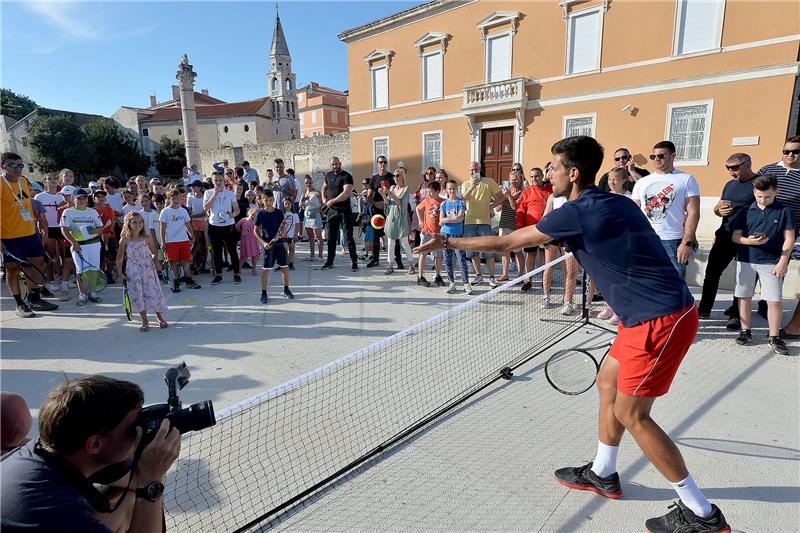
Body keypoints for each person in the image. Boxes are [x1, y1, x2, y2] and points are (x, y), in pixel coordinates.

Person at [414, 136, 729, 532]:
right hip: (643, 315)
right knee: (607, 382)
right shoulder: (616, 201)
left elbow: (509, 241)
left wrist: (448, 241)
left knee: (633, 415)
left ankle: (701, 513)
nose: (549, 173)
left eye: (553, 167)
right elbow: (628, 250)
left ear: (573, 173)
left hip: (659, 319)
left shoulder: (576, 212)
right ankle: (604, 472)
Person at [1, 375, 181, 532]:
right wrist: (152, 480)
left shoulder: (44, 449)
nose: (138, 434)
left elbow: (127, 481)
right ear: (94, 444)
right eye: (132, 429)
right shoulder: (57, 513)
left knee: (127, 497)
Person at [730, 174, 795, 355]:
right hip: (746, 260)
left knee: (774, 300)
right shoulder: (745, 211)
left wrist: (783, 261)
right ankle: (745, 331)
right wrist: (748, 241)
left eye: (767, 196)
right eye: (759, 196)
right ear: (754, 193)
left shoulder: (784, 211)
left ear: (776, 191)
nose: (763, 200)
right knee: (744, 296)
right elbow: (735, 236)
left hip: (772, 262)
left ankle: (774, 336)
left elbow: (789, 238)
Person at [696, 154, 756, 328]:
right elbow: (718, 206)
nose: (731, 172)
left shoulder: (758, 183)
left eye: (735, 168)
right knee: (712, 273)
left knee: (743, 277)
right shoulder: (730, 185)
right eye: (728, 168)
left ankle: (736, 315)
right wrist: (718, 211)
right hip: (725, 234)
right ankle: (704, 310)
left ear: (748, 164)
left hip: (746, 237)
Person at [1, 152, 59, 316]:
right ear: (2, 166)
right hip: (9, 237)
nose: (17, 169)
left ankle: (34, 298)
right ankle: (20, 304)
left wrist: (38, 221)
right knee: (12, 270)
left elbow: (26, 203)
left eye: (20, 165)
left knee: (37, 265)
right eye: (12, 165)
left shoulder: (24, 181)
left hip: (30, 234)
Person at [631, 140, 701, 279]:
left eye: (661, 156)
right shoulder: (642, 182)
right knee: (649, 282)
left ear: (672, 155)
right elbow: (634, 212)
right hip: (646, 239)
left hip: (673, 240)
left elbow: (693, 212)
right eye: (653, 156)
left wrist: (686, 242)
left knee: (675, 283)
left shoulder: (686, 179)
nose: (657, 159)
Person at [756, 135, 800, 338]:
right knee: (755, 269)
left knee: (778, 269)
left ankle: (768, 304)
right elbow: (753, 195)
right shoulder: (767, 170)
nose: (790, 155)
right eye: (786, 151)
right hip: (762, 228)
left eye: (795, 151)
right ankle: (760, 305)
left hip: (788, 231)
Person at [118, 211, 168, 331]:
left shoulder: (147, 238)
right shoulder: (124, 240)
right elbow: (119, 258)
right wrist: (120, 273)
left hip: (148, 269)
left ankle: (159, 316)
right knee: (138, 294)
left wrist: (156, 262)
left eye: (140, 222)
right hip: (133, 271)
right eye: (134, 222)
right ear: (128, 224)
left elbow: (154, 252)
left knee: (153, 292)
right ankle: (145, 320)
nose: (138, 224)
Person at [61, 188, 108, 306]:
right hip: (78, 246)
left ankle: (93, 292)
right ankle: (82, 295)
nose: (82, 200)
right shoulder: (68, 212)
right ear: (73, 199)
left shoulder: (93, 212)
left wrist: (94, 231)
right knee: (80, 271)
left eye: (84, 198)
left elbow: (101, 228)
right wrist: (74, 243)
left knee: (93, 270)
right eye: (79, 198)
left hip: (94, 244)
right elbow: (64, 229)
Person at [515, 167, 551, 291]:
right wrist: (520, 229)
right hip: (530, 229)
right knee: (530, 255)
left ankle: (544, 281)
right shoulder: (527, 192)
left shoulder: (549, 190)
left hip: (546, 229)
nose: (534, 179)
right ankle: (528, 281)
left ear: (542, 176)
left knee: (544, 255)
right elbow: (520, 211)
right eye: (531, 176)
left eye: (536, 176)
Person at [254, 191, 294, 303]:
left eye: (270, 200)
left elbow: (282, 227)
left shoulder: (279, 213)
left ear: (273, 200)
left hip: (280, 245)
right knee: (266, 270)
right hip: (268, 246)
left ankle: (286, 289)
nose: (268, 202)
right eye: (266, 200)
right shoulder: (260, 214)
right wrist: (263, 243)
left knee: (284, 268)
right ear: (262, 201)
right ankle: (264, 293)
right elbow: (255, 231)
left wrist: (282, 232)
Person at [321, 157, 358, 271]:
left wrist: (332, 201)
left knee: (349, 237)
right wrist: (323, 198)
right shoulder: (328, 175)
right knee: (331, 238)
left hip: (344, 210)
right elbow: (324, 187)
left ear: (340, 164)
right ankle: (329, 261)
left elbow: (346, 193)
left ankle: (354, 262)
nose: (334, 166)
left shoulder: (347, 176)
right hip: (332, 211)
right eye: (332, 164)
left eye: (336, 164)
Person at [159, 189, 200, 293]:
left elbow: (188, 224)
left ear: (181, 199)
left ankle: (189, 281)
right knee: (173, 263)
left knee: (186, 261)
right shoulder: (165, 211)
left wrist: (192, 236)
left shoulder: (183, 211)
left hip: (184, 240)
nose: (176, 200)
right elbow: (162, 228)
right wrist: (163, 242)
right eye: (173, 198)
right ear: (169, 199)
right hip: (171, 242)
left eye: (177, 198)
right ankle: (175, 282)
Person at [203, 172, 241, 285]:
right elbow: (205, 208)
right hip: (214, 226)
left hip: (228, 225)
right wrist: (215, 194)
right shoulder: (208, 193)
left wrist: (232, 215)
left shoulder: (230, 194)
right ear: (212, 182)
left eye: (220, 180)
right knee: (216, 252)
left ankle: (237, 274)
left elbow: (237, 210)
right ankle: (219, 275)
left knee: (232, 251)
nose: (218, 182)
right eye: (216, 180)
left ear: (224, 181)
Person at [365, 155, 400, 268]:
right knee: (376, 236)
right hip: (377, 212)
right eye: (380, 162)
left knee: (395, 236)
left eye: (385, 162)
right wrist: (375, 203)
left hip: (391, 211)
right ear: (377, 164)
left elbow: (397, 194)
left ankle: (398, 260)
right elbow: (369, 197)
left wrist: (387, 202)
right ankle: (375, 259)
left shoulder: (392, 177)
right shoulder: (374, 179)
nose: (383, 164)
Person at [439, 180, 471, 295]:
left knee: (461, 259)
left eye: (454, 188)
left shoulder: (461, 203)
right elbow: (440, 221)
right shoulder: (443, 204)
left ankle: (466, 284)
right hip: (445, 235)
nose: (452, 191)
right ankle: (452, 283)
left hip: (457, 235)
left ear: (457, 189)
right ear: (447, 190)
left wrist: (447, 220)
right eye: (450, 189)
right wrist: (451, 220)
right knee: (447, 260)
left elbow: (460, 218)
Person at [35, 173, 66, 290]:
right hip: (48, 229)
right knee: (50, 255)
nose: (53, 181)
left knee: (64, 255)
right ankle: (50, 279)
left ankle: (64, 279)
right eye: (49, 179)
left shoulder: (62, 196)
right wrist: (43, 229)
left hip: (62, 228)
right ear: (44, 182)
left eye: (55, 178)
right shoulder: (39, 197)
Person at [382, 168, 414, 275]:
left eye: (397, 175)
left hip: (401, 218)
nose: (395, 178)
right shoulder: (392, 188)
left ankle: (411, 265)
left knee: (404, 243)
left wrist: (389, 193)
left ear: (402, 177)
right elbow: (388, 203)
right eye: (394, 176)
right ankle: (390, 265)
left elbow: (400, 202)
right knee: (390, 243)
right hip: (391, 217)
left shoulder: (406, 188)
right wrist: (383, 194)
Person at [496, 170, 524, 282]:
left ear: (521, 180)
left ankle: (521, 275)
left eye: (516, 179)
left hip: (515, 225)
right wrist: (500, 197)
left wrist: (509, 196)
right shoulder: (506, 192)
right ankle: (505, 274)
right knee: (504, 250)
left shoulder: (522, 192)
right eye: (511, 179)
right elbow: (497, 208)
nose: (513, 181)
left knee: (518, 251)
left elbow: (515, 208)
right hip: (504, 224)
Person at [415, 180, 444, 287]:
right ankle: (420, 276)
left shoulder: (443, 202)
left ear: (438, 191)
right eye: (428, 192)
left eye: (431, 192)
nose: (429, 194)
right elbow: (418, 208)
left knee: (438, 256)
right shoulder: (427, 200)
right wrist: (420, 220)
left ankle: (437, 275)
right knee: (423, 254)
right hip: (426, 233)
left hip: (438, 234)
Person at [186, 180, 209, 274]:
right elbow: (189, 211)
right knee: (196, 243)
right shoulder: (190, 197)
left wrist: (191, 216)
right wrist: (190, 219)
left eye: (195, 186)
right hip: (194, 223)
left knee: (205, 244)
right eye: (192, 186)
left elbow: (204, 213)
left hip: (204, 222)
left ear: (200, 187)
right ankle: (194, 263)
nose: (193, 188)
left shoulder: (205, 197)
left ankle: (203, 265)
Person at [301, 175, 324, 261]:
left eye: (310, 182)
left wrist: (316, 212)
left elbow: (322, 204)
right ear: (304, 184)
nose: (308, 184)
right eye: (306, 183)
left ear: (312, 182)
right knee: (310, 237)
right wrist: (303, 199)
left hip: (315, 215)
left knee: (318, 236)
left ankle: (320, 256)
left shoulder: (317, 192)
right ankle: (312, 255)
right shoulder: (304, 193)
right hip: (307, 216)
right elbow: (301, 205)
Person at [237, 208, 260, 275]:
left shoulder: (256, 222)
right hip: (245, 241)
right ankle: (238, 269)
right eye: (252, 214)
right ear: (249, 213)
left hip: (253, 240)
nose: (253, 216)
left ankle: (254, 269)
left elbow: (258, 231)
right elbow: (237, 227)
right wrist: (241, 233)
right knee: (243, 256)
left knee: (254, 255)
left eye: (255, 215)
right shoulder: (243, 220)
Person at [281, 197, 300, 269]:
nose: (287, 205)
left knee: (292, 248)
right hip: (284, 235)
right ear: (283, 205)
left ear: (292, 204)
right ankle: (283, 263)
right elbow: (280, 226)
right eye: (285, 204)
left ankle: (291, 263)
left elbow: (297, 226)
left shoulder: (295, 215)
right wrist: (282, 233)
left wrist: (296, 235)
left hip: (292, 235)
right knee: (284, 249)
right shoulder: (282, 214)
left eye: (289, 203)